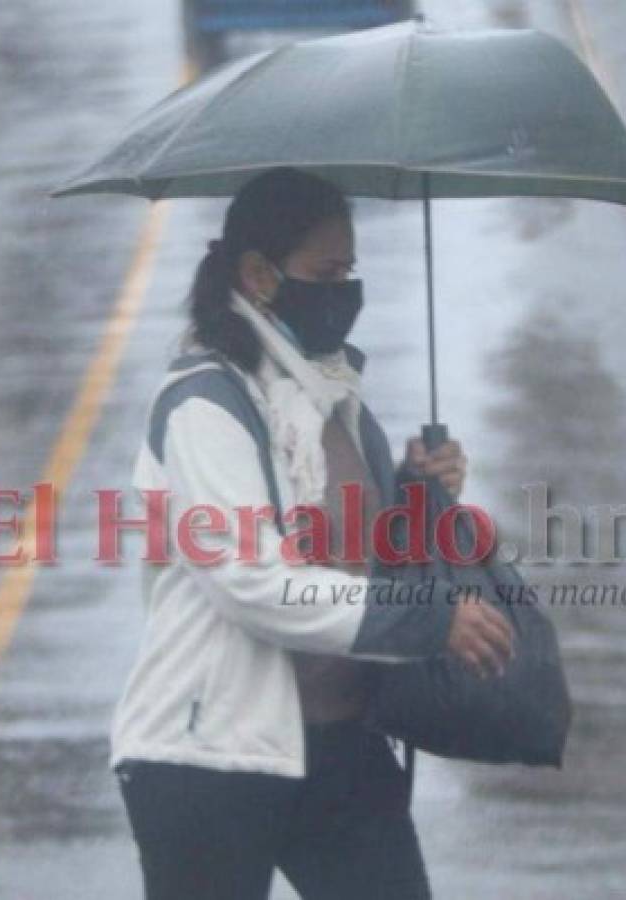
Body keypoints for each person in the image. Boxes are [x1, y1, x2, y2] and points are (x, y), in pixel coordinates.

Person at [111, 166, 514, 899]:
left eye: (350, 270)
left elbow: (367, 557)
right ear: (259, 275)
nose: (344, 291)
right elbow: (251, 580)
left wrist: (419, 495)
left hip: (339, 744)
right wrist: (427, 622)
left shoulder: (332, 400)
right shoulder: (207, 404)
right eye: (326, 272)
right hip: (211, 757)